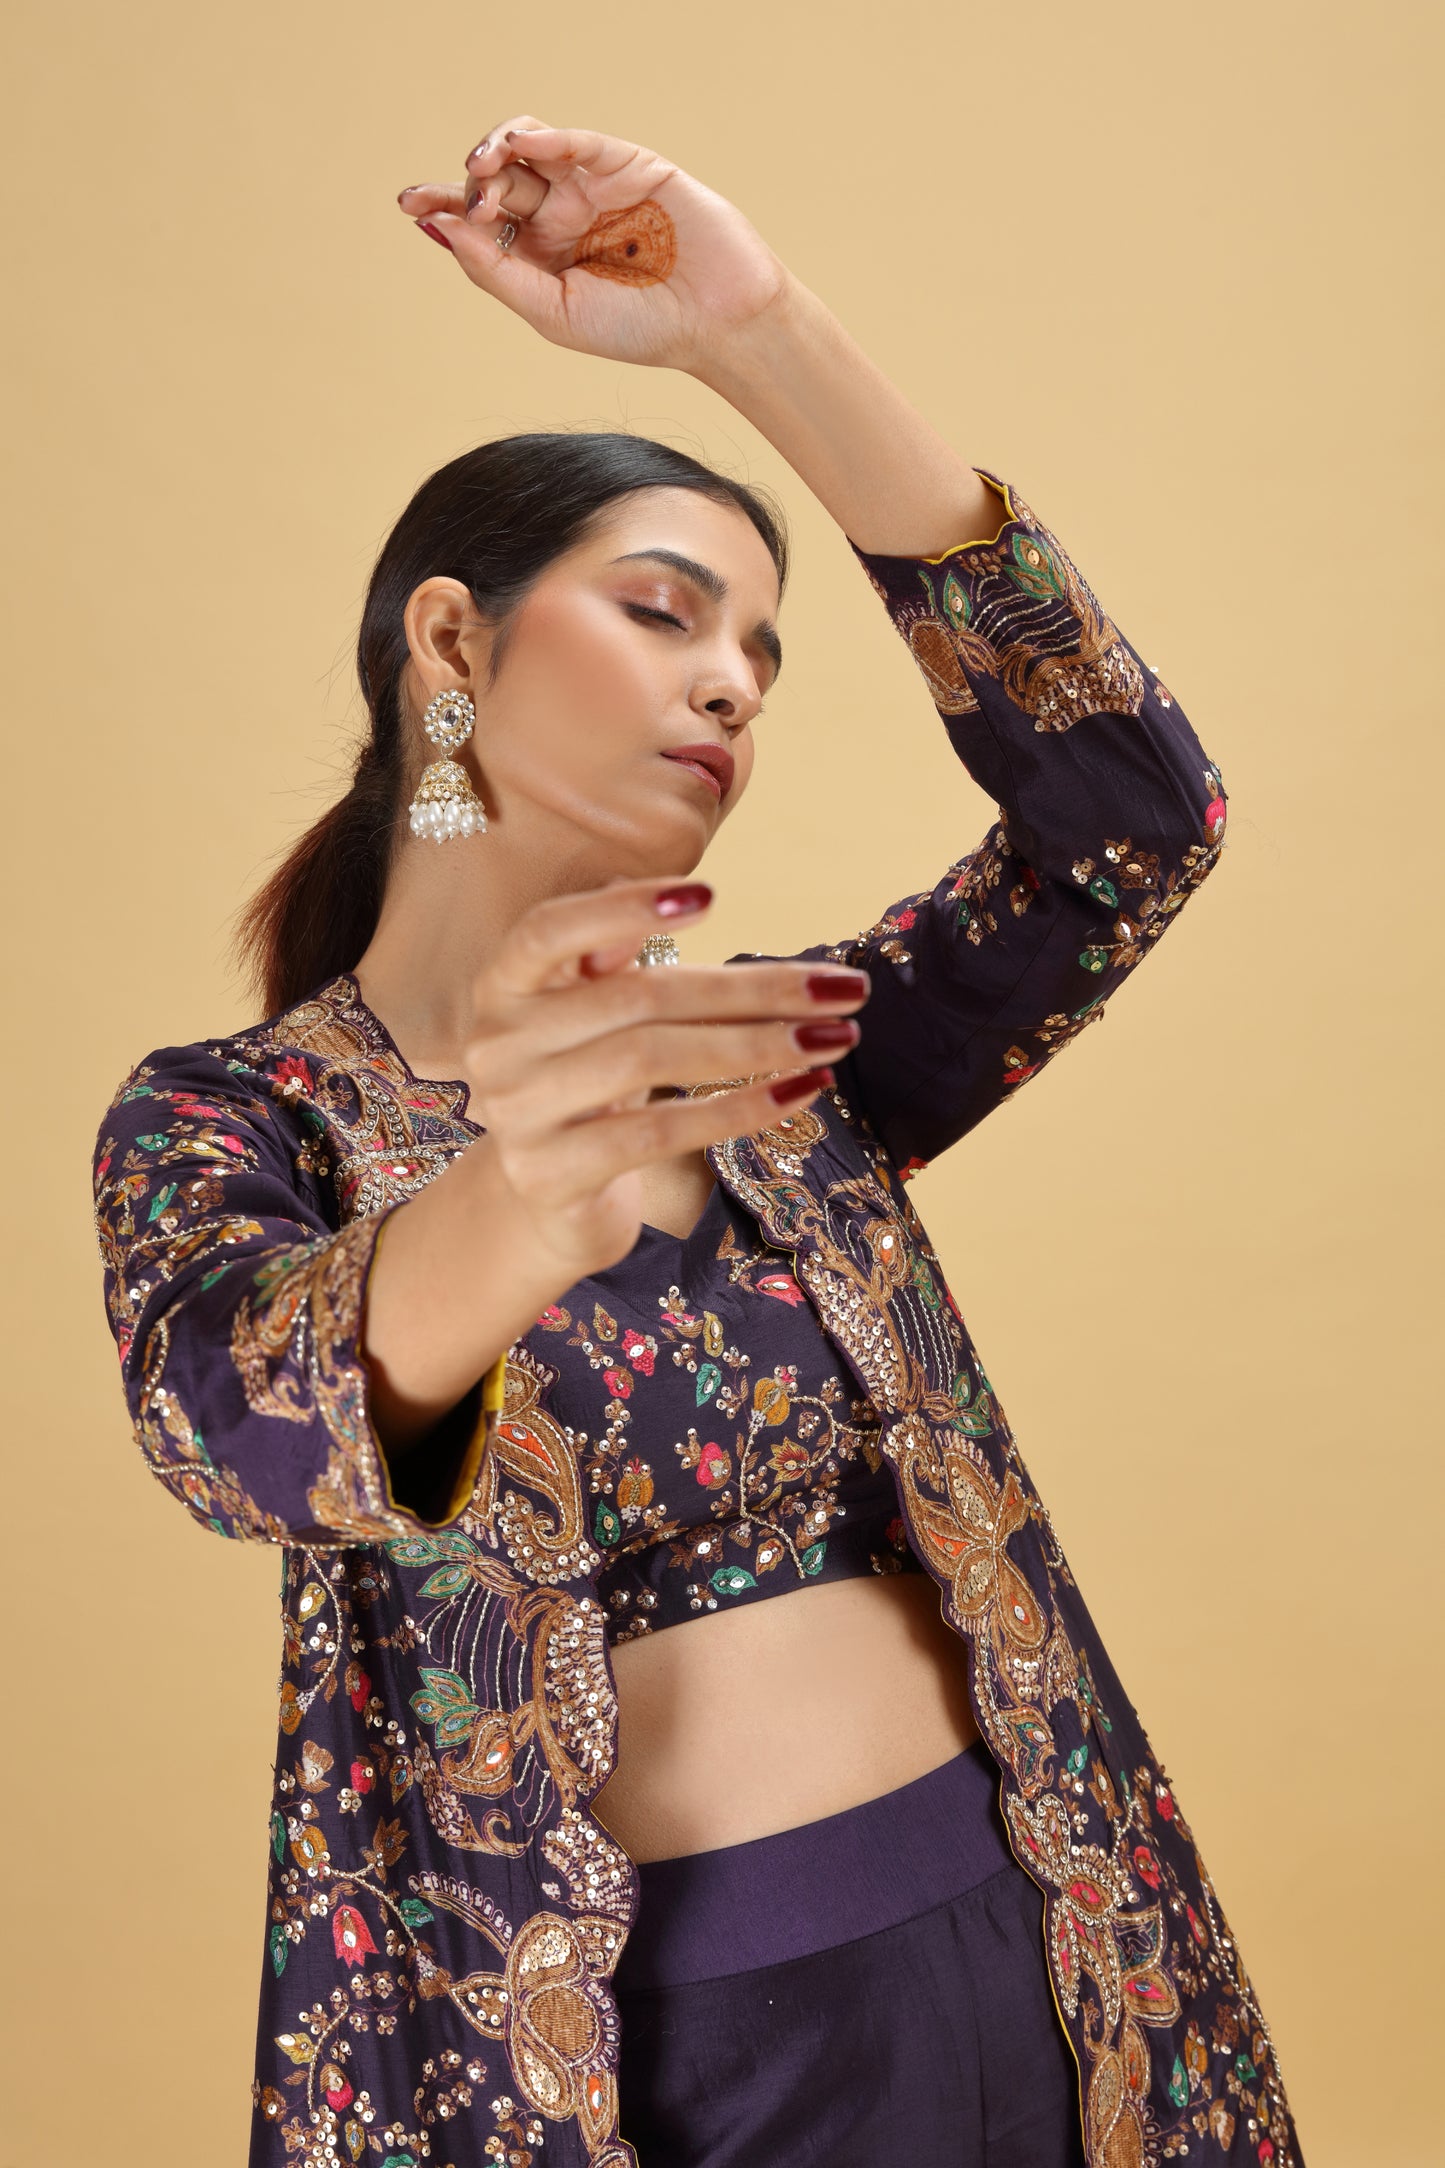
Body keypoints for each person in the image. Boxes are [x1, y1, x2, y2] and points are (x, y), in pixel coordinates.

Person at [91, 115, 1304, 2168]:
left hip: (1059, 1965)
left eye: (762, 650)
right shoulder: (238, 1118)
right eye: (668, 612)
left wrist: (756, 333)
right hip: (661, 2068)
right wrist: (512, 1191)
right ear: (455, 647)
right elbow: (237, 1429)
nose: (735, 684)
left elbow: (1130, 820)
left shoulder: (789, 1065)